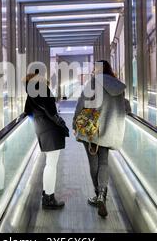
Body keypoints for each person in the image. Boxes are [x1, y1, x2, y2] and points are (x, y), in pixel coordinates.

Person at [73, 60, 127, 218]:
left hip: (92, 128)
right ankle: (103, 193)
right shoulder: (118, 86)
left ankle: (99, 195)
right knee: (104, 161)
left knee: (93, 162)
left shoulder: (93, 83)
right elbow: (124, 105)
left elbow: (81, 103)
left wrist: (75, 122)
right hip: (109, 128)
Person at [24, 71, 69, 210]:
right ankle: (49, 198)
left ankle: (46, 195)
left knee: (49, 164)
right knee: (51, 165)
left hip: (41, 129)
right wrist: (61, 124)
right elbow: (51, 111)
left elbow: (27, 111)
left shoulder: (30, 92)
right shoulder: (43, 89)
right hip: (51, 130)